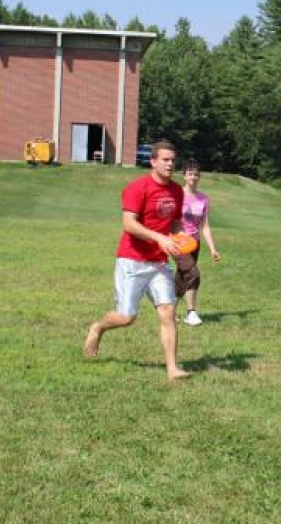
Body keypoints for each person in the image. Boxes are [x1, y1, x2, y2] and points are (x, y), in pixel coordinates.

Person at [83, 139, 191, 380]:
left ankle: (172, 369)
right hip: (132, 260)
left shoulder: (176, 191)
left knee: (168, 312)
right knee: (126, 317)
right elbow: (129, 224)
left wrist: (179, 237)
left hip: (159, 262)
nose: (170, 164)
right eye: (165, 160)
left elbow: (173, 222)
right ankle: (98, 327)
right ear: (153, 161)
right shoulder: (137, 187)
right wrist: (159, 239)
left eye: (173, 160)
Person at [173, 159, 221, 326]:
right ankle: (191, 313)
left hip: (195, 243)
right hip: (178, 243)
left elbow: (205, 226)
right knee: (193, 274)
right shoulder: (177, 194)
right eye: (190, 174)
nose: (193, 177)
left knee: (182, 276)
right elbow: (170, 219)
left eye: (196, 174)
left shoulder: (203, 198)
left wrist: (213, 249)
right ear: (184, 176)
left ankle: (169, 310)